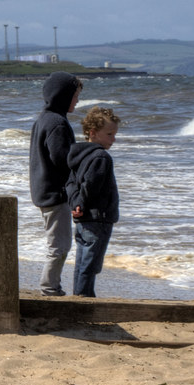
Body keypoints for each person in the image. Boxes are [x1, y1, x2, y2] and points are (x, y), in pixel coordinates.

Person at [29, 71, 83, 296]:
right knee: (59, 246)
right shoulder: (57, 123)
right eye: (75, 95)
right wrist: (83, 155)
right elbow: (62, 160)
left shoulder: (44, 118)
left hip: (43, 190)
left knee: (57, 243)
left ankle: (50, 286)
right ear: (63, 95)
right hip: (55, 193)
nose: (78, 100)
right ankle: (49, 288)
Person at [66, 106, 121, 298]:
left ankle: (80, 295)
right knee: (91, 263)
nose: (113, 139)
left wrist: (75, 204)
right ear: (93, 133)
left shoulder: (79, 155)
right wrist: (81, 203)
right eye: (109, 134)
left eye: (114, 134)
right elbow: (91, 186)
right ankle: (84, 298)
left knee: (83, 262)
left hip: (83, 218)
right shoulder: (101, 157)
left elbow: (71, 183)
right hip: (98, 218)